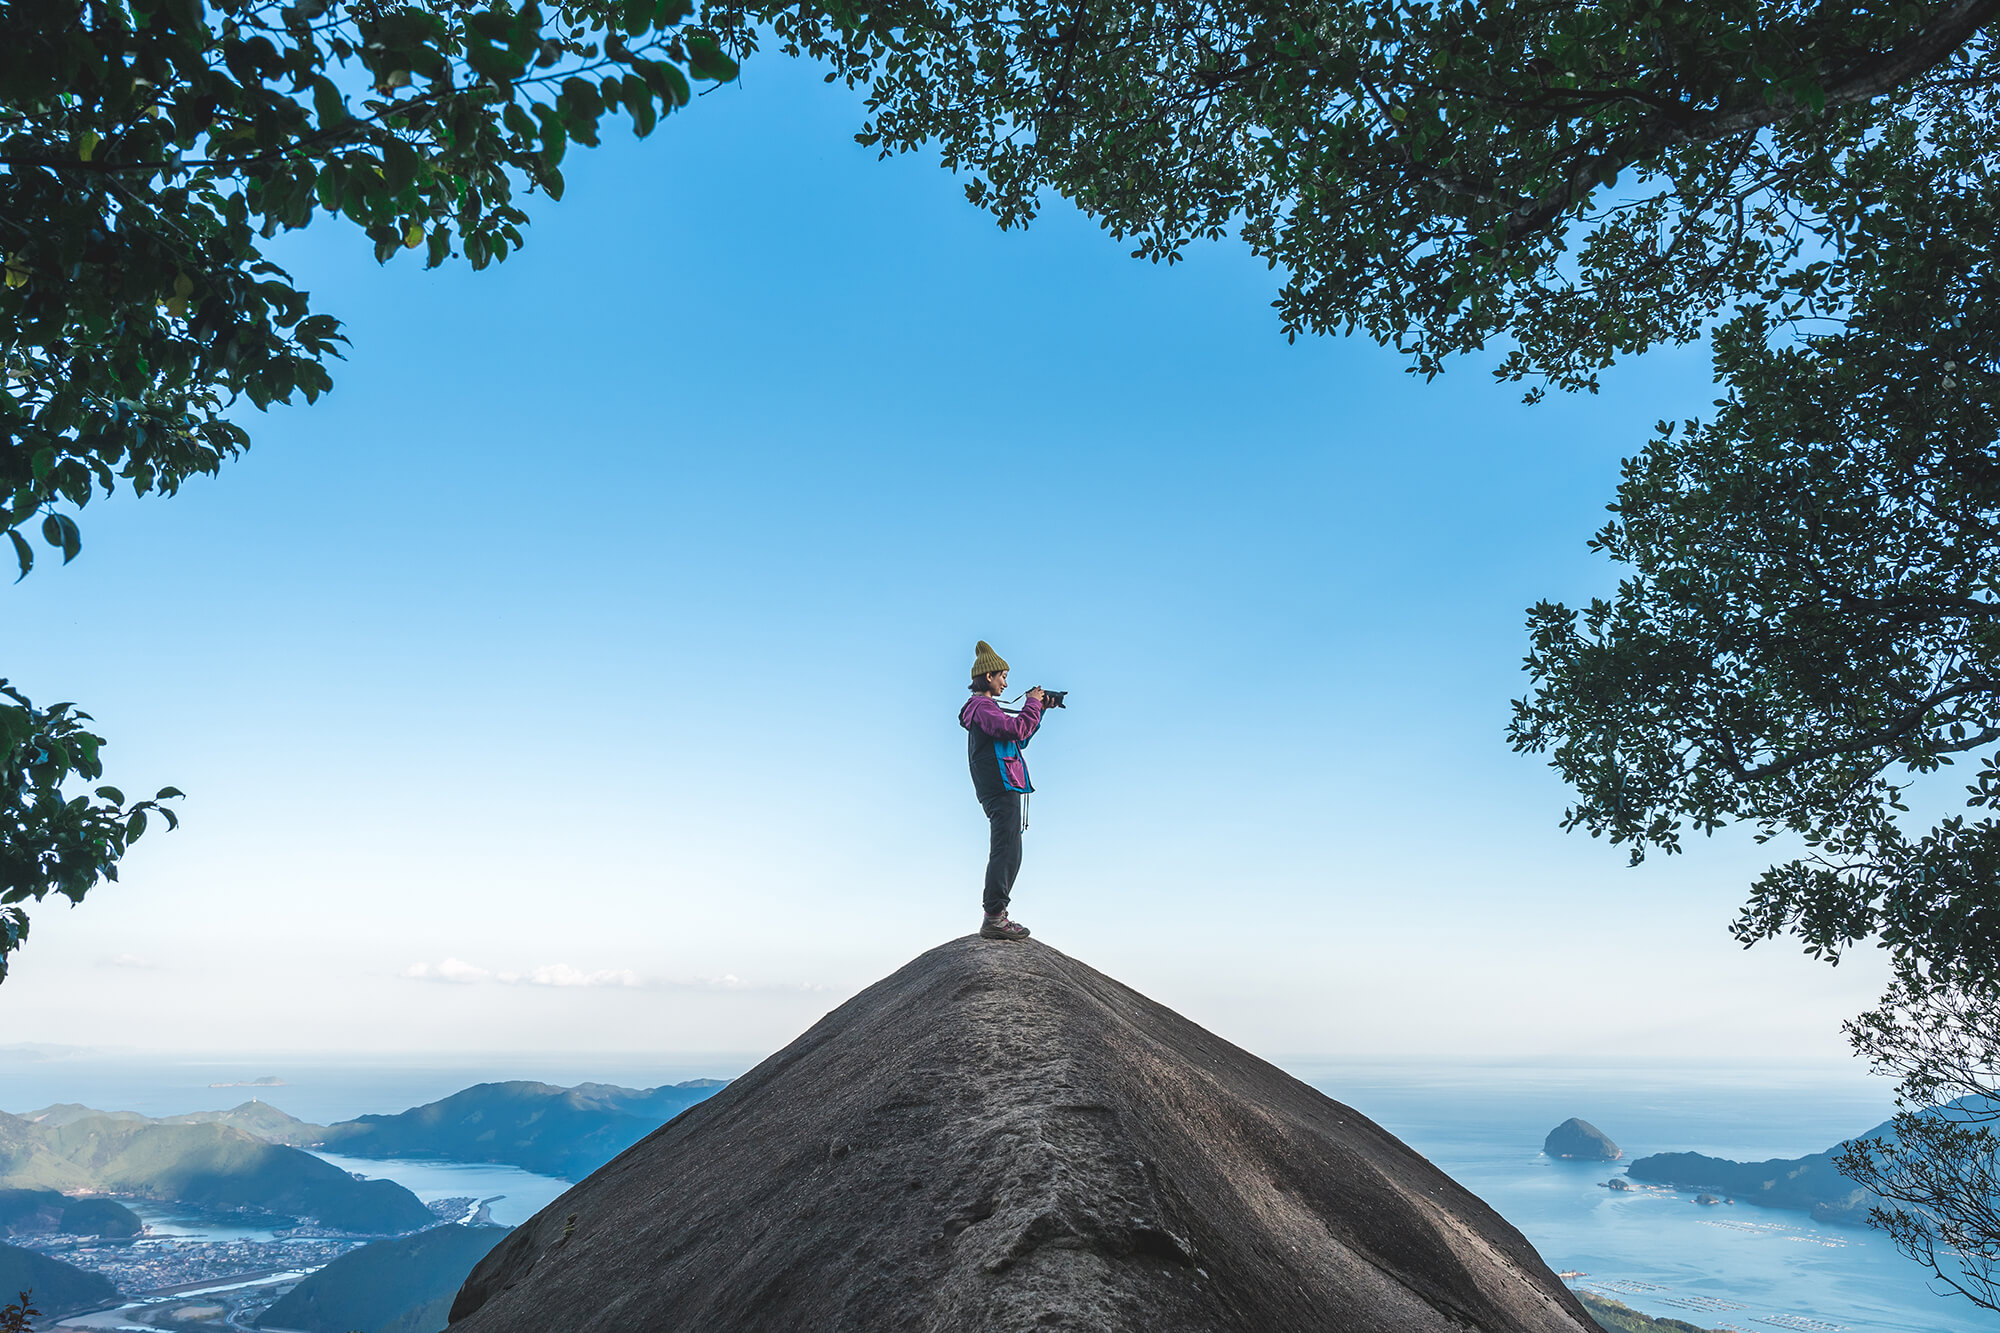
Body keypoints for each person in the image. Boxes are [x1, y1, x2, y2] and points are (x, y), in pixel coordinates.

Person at [958, 640, 1054, 941]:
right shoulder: (982, 707)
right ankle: (994, 916)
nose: (1006, 682)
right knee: (1006, 850)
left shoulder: (984, 710)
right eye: (1003, 676)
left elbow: (1017, 740)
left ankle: (996, 913)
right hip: (1000, 785)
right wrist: (1032, 704)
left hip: (1001, 785)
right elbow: (1015, 730)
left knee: (1012, 850)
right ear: (989, 676)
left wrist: (1040, 710)